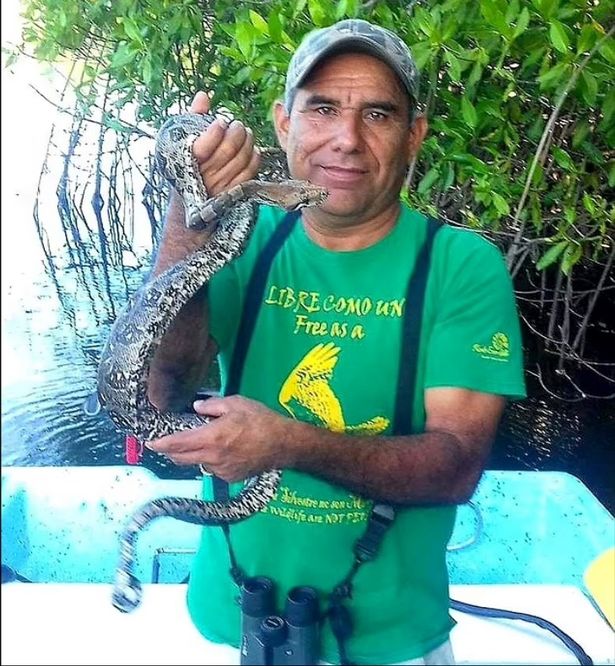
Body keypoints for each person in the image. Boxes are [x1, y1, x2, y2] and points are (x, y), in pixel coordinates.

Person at [146, 18, 526, 666]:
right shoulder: (243, 238)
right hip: (229, 612)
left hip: (388, 638)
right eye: (321, 107)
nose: (345, 140)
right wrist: (189, 210)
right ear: (283, 124)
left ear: (414, 136)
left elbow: (457, 464)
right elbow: (162, 390)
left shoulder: (460, 265)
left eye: (377, 113)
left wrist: (287, 443)